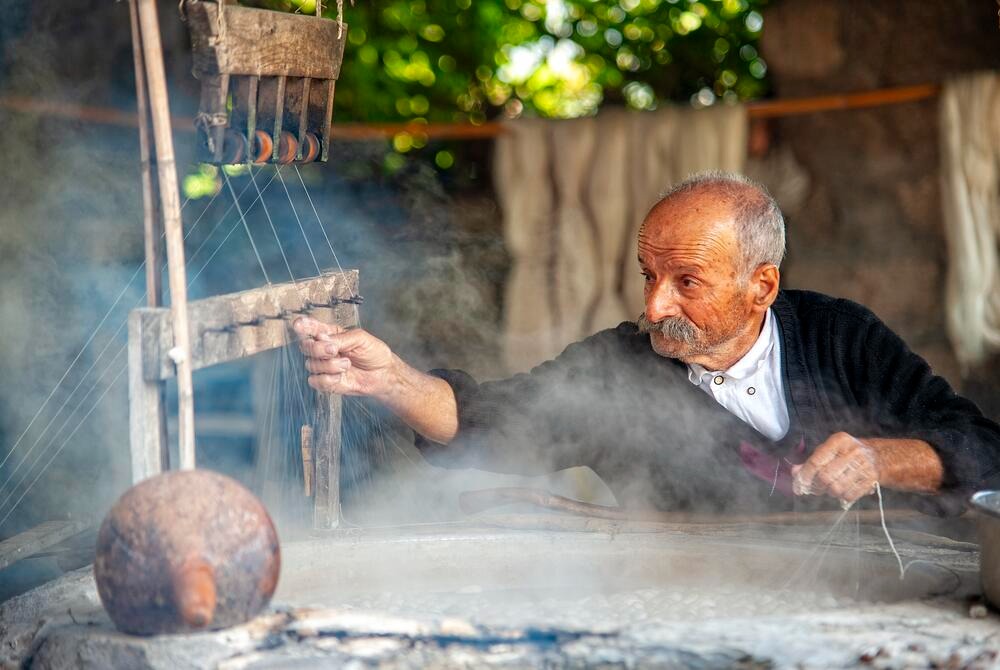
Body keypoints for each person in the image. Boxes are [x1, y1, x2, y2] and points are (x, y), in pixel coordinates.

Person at [294, 171, 1000, 515]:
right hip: (685, 605)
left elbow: (980, 444)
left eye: (686, 281)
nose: (654, 303)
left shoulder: (840, 336)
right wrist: (389, 379)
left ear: (762, 287)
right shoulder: (619, 367)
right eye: (648, 275)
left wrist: (886, 459)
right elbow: (489, 423)